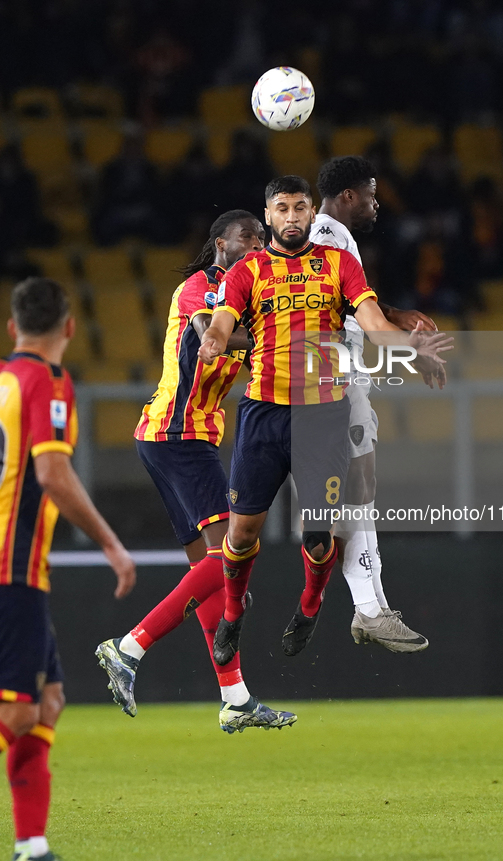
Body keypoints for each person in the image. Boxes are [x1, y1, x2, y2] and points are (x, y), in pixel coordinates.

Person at [197, 175, 452, 668]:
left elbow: (375, 325)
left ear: (312, 213)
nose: (291, 217)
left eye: (299, 207)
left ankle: (309, 608)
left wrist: (411, 346)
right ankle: (232, 615)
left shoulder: (339, 264)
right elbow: (224, 321)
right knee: (243, 532)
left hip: (324, 415)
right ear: (268, 216)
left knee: (318, 535)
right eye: (282, 209)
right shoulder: (247, 271)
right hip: (264, 413)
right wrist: (214, 339)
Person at [95, 210, 296, 734]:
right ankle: (129, 647)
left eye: (260, 239)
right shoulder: (201, 288)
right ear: (218, 244)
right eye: (245, 238)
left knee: (210, 575)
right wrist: (270, 339)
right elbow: (211, 334)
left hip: (179, 437)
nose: (255, 246)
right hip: (176, 435)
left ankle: (235, 697)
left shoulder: (247, 302)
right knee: (234, 552)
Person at [0, 277, 136, 861]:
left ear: (13, 327)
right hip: (12, 567)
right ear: (70, 328)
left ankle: (32, 845)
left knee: (48, 700)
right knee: (21, 708)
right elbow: (52, 475)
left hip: (19, 567)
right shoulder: (47, 380)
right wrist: (110, 543)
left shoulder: (3, 378)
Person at [312, 155, 440, 652]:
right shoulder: (327, 234)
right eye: (369, 192)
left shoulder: (335, 239)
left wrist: (392, 311)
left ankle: (365, 606)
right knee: (352, 492)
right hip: (331, 373)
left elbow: (346, 296)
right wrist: (414, 351)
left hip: (340, 371)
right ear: (348, 196)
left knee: (356, 490)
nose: (375, 201)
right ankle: (366, 606)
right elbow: (330, 302)